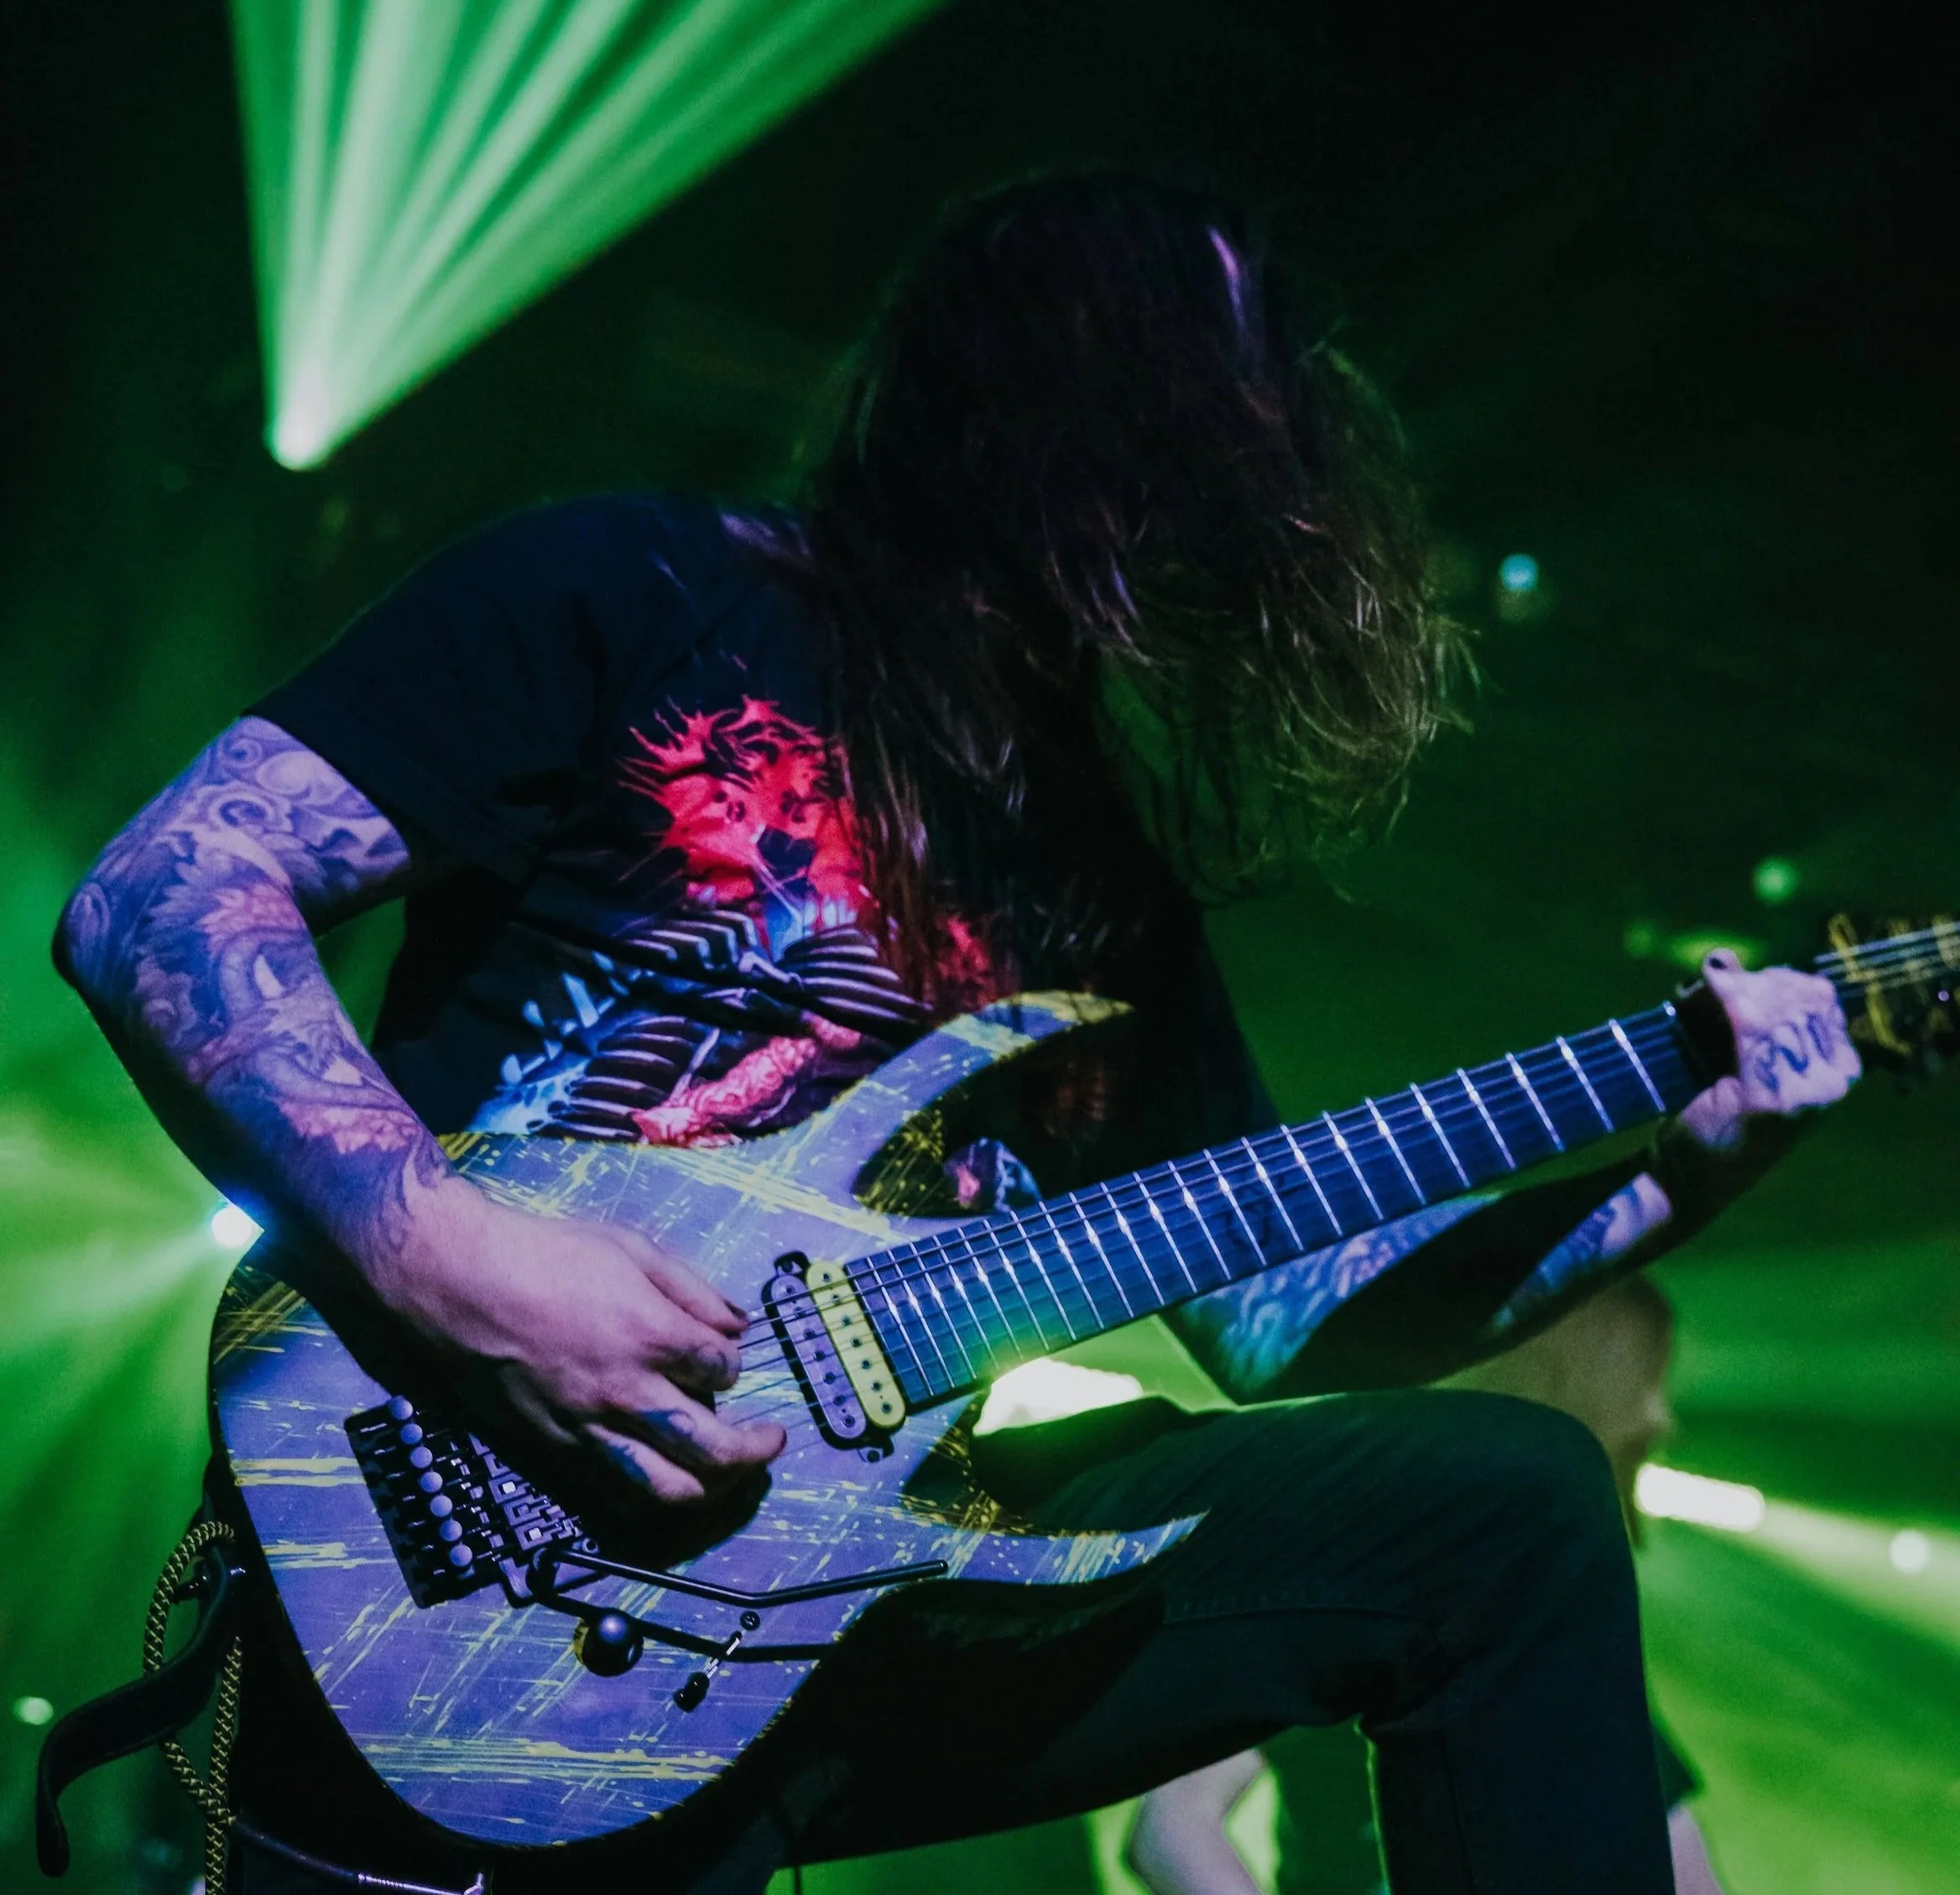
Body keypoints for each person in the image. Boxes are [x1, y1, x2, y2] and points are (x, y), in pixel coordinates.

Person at [54, 175, 1858, 1895]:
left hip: (863, 1581)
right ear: (1062, 395)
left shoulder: (1104, 876)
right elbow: (164, 901)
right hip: (476, 1570)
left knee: (1504, 1506)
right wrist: (451, 1262)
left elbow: (1291, 1311)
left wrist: (1672, 1181)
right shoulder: (630, 591)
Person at [1125, 1276, 1723, 1895]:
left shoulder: (1553, 1630)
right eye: (1647, 1375)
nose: (1662, 1414)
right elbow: (1173, 1827)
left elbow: (1681, 1864)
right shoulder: (1372, 1581)